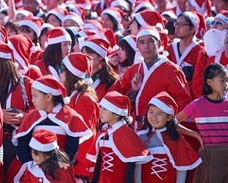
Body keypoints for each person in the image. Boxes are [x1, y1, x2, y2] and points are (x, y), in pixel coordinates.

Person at [119, 26, 191, 129]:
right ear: (137, 46)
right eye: (142, 42)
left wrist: (164, 119)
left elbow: (184, 101)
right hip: (135, 126)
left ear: (159, 43)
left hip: (161, 128)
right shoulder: (133, 70)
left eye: (150, 41)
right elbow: (122, 100)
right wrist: (133, 92)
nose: (146, 46)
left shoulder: (172, 70)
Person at [14, 75, 93, 168]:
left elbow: (72, 150)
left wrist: (61, 169)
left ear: (48, 97)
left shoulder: (70, 117)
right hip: (35, 171)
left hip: (60, 171)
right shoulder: (31, 117)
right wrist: (32, 168)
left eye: (35, 96)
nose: (32, 100)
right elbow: (22, 147)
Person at [0, 40, 34, 179]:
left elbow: (39, 109)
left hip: (18, 142)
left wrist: (24, 116)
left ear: (0, 62)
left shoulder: (25, 84)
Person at [176, 63, 228, 183]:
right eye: (222, 80)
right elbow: (173, 122)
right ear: (209, 82)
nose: (225, 84)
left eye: (227, 80)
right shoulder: (197, 105)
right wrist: (196, 135)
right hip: (210, 156)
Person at [136, 92, 201, 183]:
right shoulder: (141, 136)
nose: (154, 117)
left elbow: (182, 168)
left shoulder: (176, 138)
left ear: (169, 117)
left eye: (159, 114)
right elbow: (137, 167)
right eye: (151, 112)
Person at [88, 91, 152, 183]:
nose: (100, 111)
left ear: (116, 114)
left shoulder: (126, 134)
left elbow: (131, 166)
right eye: (101, 107)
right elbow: (99, 160)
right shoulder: (104, 132)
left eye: (105, 109)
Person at [60, 52, 100, 180]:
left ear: (70, 73)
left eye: (63, 70)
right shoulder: (73, 95)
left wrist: (79, 163)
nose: (60, 73)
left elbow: (88, 134)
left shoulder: (84, 98)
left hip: (79, 165)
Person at [81, 36, 120, 100]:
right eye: (83, 54)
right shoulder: (78, 75)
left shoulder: (112, 81)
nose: (85, 58)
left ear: (100, 57)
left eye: (89, 55)